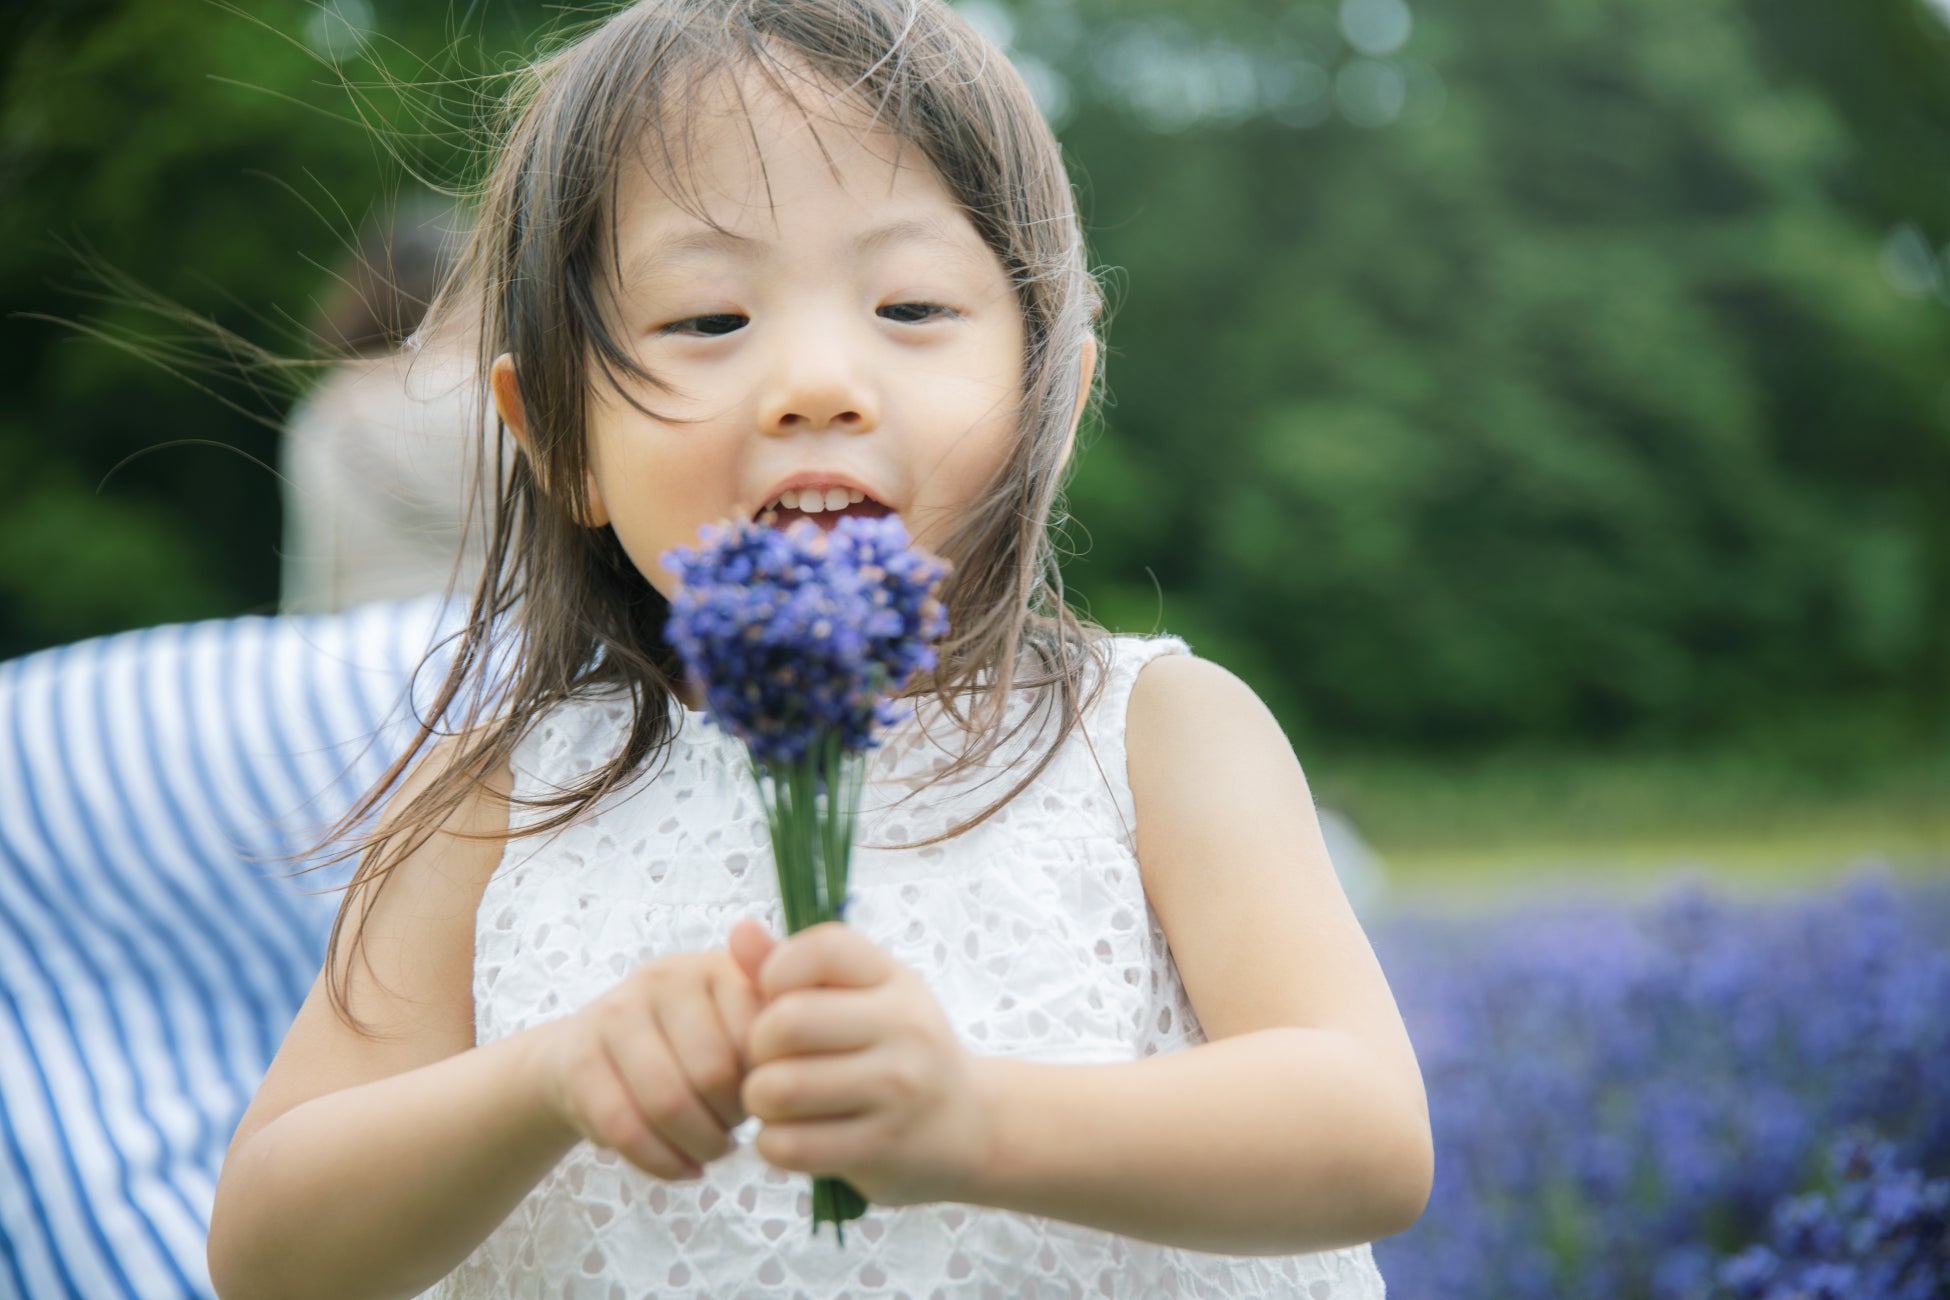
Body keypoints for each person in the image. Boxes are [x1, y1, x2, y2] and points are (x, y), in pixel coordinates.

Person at [205, 2, 1433, 1296]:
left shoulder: (1150, 736)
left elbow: (1363, 1131)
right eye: (706, 320)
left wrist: (979, 1121)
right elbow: (269, 1252)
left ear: (1052, 406)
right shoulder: (492, 800)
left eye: (908, 305)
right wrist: (544, 1078)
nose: (815, 380)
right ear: (554, 430)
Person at [278, 199, 491, 614]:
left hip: (358, 654)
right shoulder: (491, 391)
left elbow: (311, 576)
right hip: (498, 648)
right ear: (458, 290)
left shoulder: (322, 410)